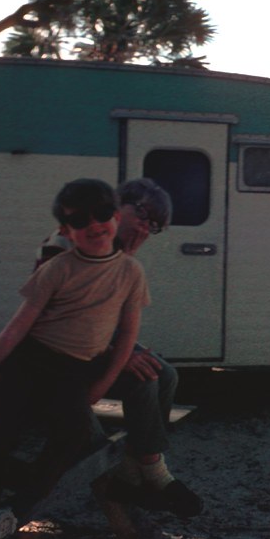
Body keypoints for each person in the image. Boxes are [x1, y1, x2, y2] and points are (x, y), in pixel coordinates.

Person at [0, 178, 150, 539]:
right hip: (29, 361)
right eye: (80, 220)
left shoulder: (130, 272)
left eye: (102, 214)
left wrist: (100, 384)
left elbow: (127, 336)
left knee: (74, 436)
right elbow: (16, 330)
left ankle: (11, 513)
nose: (94, 225)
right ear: (66, 230)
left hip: (74, 370)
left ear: (116, 215)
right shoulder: (58, 268)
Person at [36, 178, 202, 519]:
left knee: (166, 374)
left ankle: (132, 465)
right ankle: (153, 471)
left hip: (90, 339)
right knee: (143, 379)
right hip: (56, 350)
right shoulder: (68, 239)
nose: (145, 226)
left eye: (153, 224)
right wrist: (119, 353)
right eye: (143, 214)